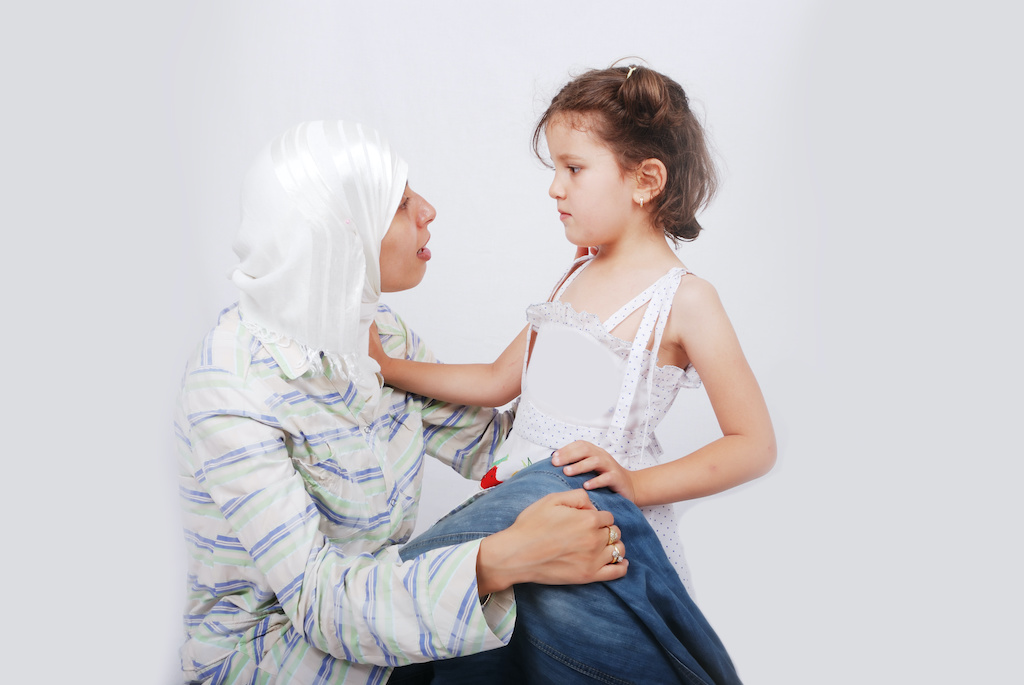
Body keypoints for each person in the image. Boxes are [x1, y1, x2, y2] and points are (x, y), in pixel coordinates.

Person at [175, 119, 741, 685]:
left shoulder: (377, 336)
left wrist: (616, 365)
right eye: (397, 204)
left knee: (581, 513)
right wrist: (509, 556)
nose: (427, 210)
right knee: (577, 522)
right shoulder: (231, 387)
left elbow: (497, 447)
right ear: (339, 235)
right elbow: (323, 607)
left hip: (394, 617)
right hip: (288, 654)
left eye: (573, 169)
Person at [371, 63, 777, 595]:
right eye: (554, 169)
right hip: (530, 522)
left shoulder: (686, 300)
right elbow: (498, 380)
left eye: (574, 168)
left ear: (645, 181)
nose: (555, 188)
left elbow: (754, 444)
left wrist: (635, 484)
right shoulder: (575, 274)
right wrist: (388, 367)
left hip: (602, 539)